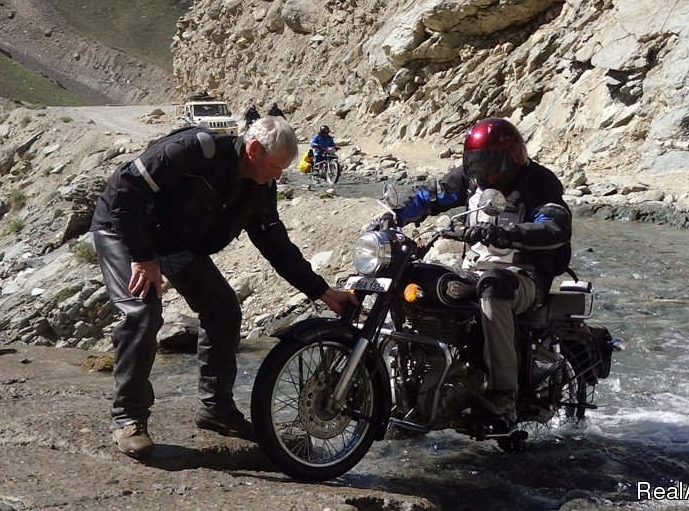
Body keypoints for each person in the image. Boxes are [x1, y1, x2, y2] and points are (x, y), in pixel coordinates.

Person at [89, 116, 356, 460]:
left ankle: (216, 408)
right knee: (143, 311)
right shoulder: (197, 149)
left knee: (223, 310)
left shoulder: (260, 186)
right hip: (124, 227)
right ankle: (129, 418)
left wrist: (324, 293)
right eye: (275, 167)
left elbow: (276, 246)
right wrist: (142, 257)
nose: (277, 177)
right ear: (254, 148)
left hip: (177, 242)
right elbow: (128, 186)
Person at [386, 117, 571, 425]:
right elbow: (431, 195)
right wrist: (396, 215)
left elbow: (554, 225)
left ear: (513, 158)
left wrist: (511, 235)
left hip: (523, 276)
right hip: (474, 269)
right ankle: (414, 377)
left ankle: (503, 396)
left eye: (492, 163)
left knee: (493, 287)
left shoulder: (539, 182)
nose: (484, 173)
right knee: (420, 281)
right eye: (476, 163)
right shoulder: (472, 179)